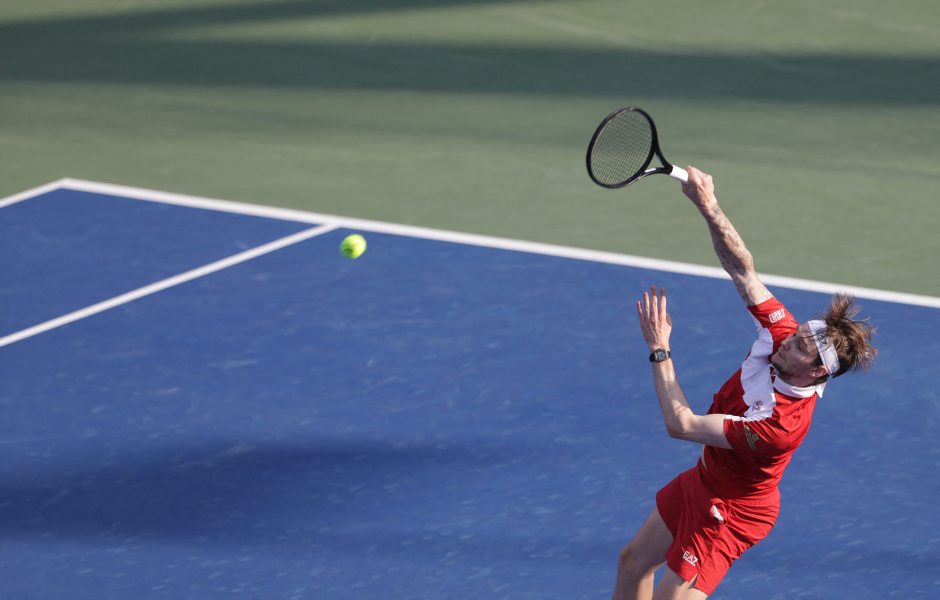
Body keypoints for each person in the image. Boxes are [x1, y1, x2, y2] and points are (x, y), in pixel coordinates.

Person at [611, 166, 877, 599]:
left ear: (816, 372)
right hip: (705, 479)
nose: (786, 341)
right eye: (795, 335)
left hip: (732, 512)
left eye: (799, 347)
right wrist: (708, 206)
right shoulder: (782, 335)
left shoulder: (779, 426)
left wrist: (660, 348)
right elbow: (743, 270)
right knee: (633, 562)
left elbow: (681, 425)